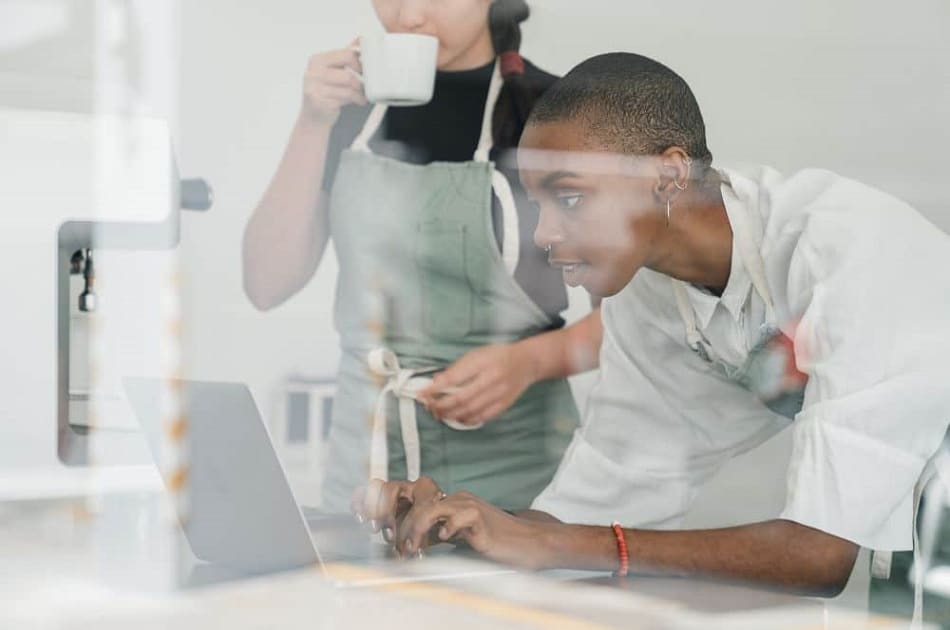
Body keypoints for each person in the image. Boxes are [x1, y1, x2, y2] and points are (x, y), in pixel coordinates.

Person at [352, 52, 950, 611]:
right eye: (540, 204)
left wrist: (560, 547)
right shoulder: (651, 299)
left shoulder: (845, 251)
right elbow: (589, 510)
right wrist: (464, 523)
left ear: (668, 174)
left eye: (570, 198)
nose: (543, 235)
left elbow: (819, 555)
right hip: (918, 547)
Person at [243, 0, 602, 513]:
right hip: (363, 478)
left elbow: (635, 322)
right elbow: (265, 283)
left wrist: (529, 361)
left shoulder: (556, 114)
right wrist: (312, 120)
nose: (408, 17)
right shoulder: (347, 111)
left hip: (518, 487)